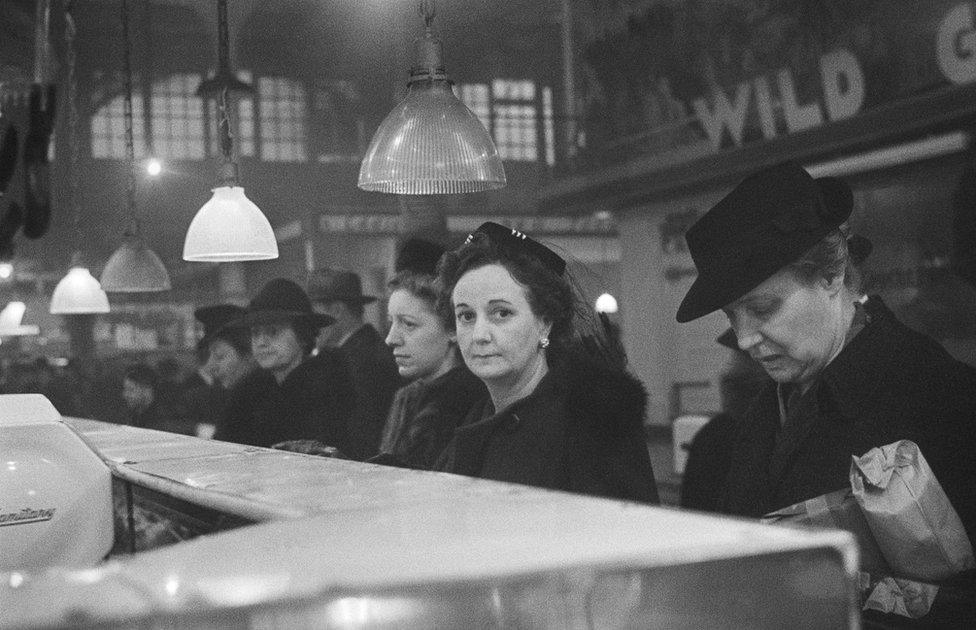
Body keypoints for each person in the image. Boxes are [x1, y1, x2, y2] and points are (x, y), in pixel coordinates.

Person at [676, 161, 976, 623]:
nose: (746, 338)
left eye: (763, 308)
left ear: (831, 276)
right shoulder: (767, 408)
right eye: (732, 317)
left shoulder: (938, 395)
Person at [435, 222, 659, 504]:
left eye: (501, 313)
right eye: (466, 316)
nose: (479, 335)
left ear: (544, 323)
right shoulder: (473, 415)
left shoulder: (592, 424)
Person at [373, 238, 486, 470]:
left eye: (409, 324)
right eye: (391, 323)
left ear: (452, 330)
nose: (391, 339)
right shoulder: (406, 397)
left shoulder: (472, 404)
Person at [215, 278, 353, 454]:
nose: (261, 342)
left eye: (273, 331)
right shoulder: (248, 393)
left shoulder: (330, 388)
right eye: (255, 333)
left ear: (302, 335)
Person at [306, 267, 400, 460]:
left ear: (337, 311)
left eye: (315, 316)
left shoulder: (361, 362)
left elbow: (364, 438)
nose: (310, 326)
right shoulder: (363, 351)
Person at [121, 363, 188, 433]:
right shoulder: (134, 413)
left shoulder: (164, 420)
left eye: (130, 390)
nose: (125, 395)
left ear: (147, 390)